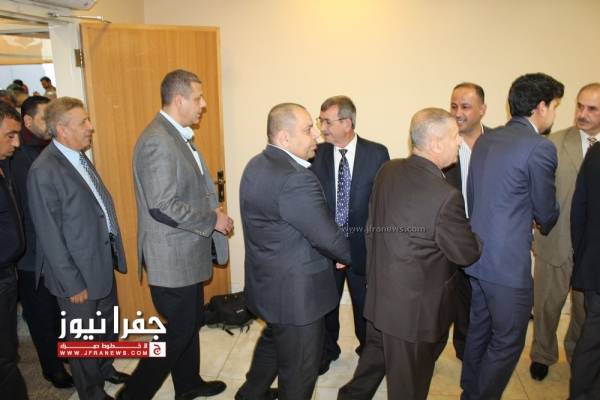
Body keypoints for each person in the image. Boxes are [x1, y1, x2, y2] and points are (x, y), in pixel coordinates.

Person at [338, 108, 482, 400]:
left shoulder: (388, 170)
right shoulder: (445, 196)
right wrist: (478, 233)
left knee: (373, 363)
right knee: (409, 387)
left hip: (380, 298)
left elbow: (372, 228)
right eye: (455, 136)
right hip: (413, 317)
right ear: (436, 143)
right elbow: (466, 253)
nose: (459, 142)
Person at [117, 69, 232, 400]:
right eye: (198, 98)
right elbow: (162, 206)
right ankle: (132, 395)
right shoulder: (157, 141)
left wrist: (209, 211)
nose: (203, 104)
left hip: (186, 254)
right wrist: (211, 220)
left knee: (190, 323)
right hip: (171, 258)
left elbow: (184, 192)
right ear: (179, 100)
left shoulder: (176, 135)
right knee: (179, 330)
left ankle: (188, 384)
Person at [236, 103, 351, 400]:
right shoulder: (296, 179)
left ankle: (250, 394)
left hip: (270, 288)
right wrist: (348, 256)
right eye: (308, 129)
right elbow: (327, 237)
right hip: (297, 299)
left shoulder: (255, 164)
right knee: (299, 373)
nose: (317, 135)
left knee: (274, 341)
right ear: (285, 137)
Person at [460, 73, 563, 400]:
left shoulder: (486, 140)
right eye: (555, 106)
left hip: (477, 255)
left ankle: (468, 392)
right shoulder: (540, 147)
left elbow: (473, 196)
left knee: (479, 331)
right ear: (541, 107)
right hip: (507, 265)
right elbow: (546, 211)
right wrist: (547, 217)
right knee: (507, 341)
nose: (554, 114)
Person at [27, 97, 129, 400]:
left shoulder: (79, 157)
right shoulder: (43, 170)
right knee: (83, 340)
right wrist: (71, 283)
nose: (90, 127)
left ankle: (105, 369)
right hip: (76, 275)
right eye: (83, 122)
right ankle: (91, 392)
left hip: (100, 262)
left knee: (106, 326)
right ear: (62, 129)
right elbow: (49, 234)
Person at [310, 95, 389, 373]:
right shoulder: (316, 153)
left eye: (327, 122)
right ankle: (327, 351)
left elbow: (382, 203)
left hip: (362, 248)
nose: (322, 128)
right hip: (326, 248)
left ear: (347, 122)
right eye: (321, 121)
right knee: (325, 306)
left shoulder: (377, 153)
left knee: (366, 307)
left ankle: (369, 353)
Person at [530, 83, 600, 381]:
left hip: (592, 248)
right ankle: (542, 354)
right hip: (555, 241)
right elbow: (536, 189)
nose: (582, 113)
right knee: (547, 305)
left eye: (592, 109)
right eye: (579, 106)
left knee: (586, 311)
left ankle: (577, 354)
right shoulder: (553, 143)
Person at [11, 96, 74, 389]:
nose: (49, 123)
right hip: (31, 255)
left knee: (60, 313)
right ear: (27, 121)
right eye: (43, 117)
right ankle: (52, 368)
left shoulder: (49, 149)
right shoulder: (18, 157)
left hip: (54, 249)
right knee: (41, 316)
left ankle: (67, 355)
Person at [444, 82, 490, 360]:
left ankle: (483, 346)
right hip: (454, 232)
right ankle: (463, 348)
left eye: (465, 106)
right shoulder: (442, 142)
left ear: (482, 109)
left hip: (490, 233)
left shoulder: (498, 142)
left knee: (486, 296)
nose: (457, 113)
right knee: (458, 295)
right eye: (453, 106)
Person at [0, 101, 28, 400]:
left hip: (8, 274)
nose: (17, 143)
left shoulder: (4, 166)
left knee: (8, 350)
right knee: (4, 359)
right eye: (10, 135)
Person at [569, 139, 600, 400]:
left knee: (592, 339)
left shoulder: (596, 152)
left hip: (594, 265)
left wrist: (584, 257)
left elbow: (578, 210)